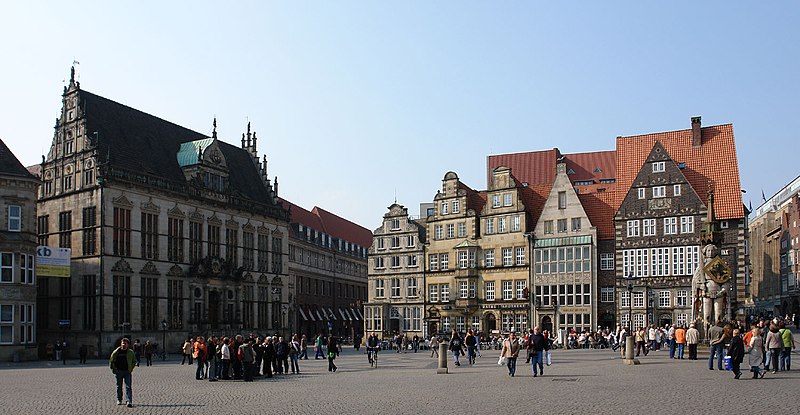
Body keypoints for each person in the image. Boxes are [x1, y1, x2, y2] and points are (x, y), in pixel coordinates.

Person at [109, 338, 136, 407]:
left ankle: (129, 401)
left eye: (125, 343)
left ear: (128, 345)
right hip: (119, 371)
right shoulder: (116, 352)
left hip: (127, 371)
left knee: (128, 386)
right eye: (122, 343)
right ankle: (119, 399)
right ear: (120, 344)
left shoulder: (130, 352)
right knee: (119, 386)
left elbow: (134, 361)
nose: (123, 345)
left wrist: (131, 368)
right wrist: (113, 369)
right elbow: (111, 361)